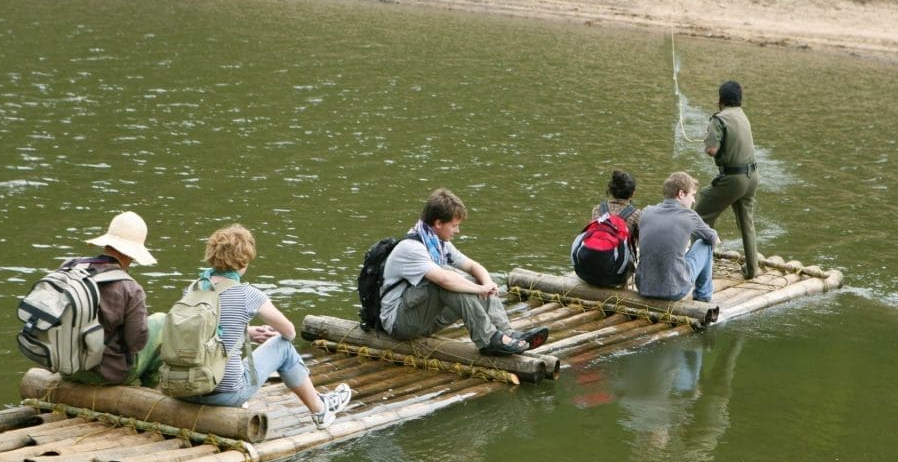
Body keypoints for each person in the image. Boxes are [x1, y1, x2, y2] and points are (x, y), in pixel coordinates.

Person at [178, 224, 351, 429]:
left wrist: (247, 332)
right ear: (244, 261)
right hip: (224, 395)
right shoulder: (247, 294)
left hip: (185, 389)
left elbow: (205, 333)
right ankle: (320, 409)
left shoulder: (194, 287)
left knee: (229, 356)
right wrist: (274, 335)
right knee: (283, 346)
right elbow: (289, 332)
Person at [379, 188, 548, 356]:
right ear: (438, 223)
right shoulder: (411, 248)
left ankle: (507, 333)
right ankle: (488, 339)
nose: (457, 231)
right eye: (454, 226)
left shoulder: (439, 244)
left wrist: (486, 283)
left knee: (471, 279)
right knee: (449, 279)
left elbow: (473, 266)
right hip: (400, 325)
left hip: (425, 318)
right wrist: (479, 289)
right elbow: (444, 280)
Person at [62, 211, 163, 387]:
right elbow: (136, 343)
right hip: (105, 374)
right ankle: (151, 390)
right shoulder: (130, 288)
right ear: (132, 254)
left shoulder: (70, 267)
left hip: (65, 367)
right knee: (162, 321)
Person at [695, 80, 760, 279]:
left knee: (698, 216)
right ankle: (752, 269)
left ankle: (698, 269)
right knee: (747, 224)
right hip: (752, 177)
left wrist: (709, 139)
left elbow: (711, 150)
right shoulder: (742, 115)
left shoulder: (719, 119)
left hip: (734, 179)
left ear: (720, 100)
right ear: (739, 99)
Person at [636, 172, 720, 302]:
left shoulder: (646, 212)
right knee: (704, 244)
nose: (694, 200)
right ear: (681, 194)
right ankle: (703, 296)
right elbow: (714, 239)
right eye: (692, 195)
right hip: (674, 290)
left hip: (644, 288)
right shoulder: (689, 216)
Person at [571, 170, 642, 288]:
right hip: (615, 276)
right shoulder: (637, 214)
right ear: (633, 193)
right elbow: (638, 244)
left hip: (586, 272)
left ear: (610, 190)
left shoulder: (597, 209)